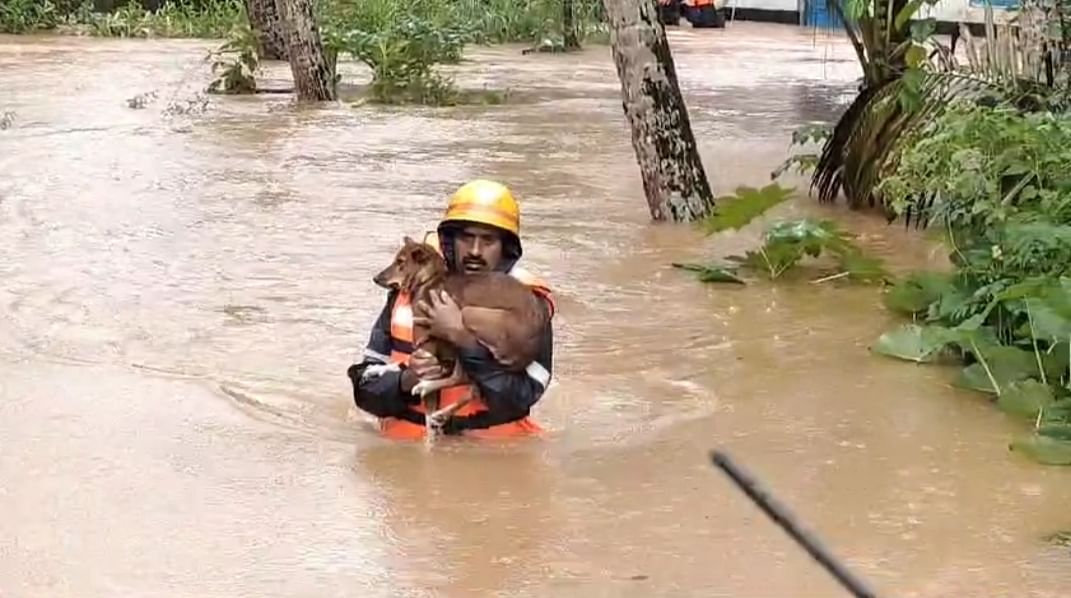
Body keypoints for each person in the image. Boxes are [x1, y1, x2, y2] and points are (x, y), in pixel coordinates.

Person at [347, 179, 557, 440]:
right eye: (467, 238)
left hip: (494, 461)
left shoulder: (526, 304)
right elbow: (364, 390)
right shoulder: (403, 294)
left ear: (505, 249)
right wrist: (407, 380)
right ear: (450, 241)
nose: (475, 251)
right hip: (408, 457)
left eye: (488, 240)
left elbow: (522, 397)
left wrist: (463, 339)